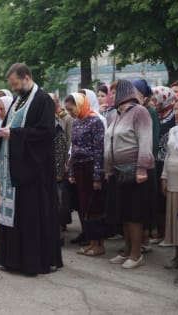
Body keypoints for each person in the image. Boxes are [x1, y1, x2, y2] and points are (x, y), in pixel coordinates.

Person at [0, 63, 62, 274]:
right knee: (16, 216)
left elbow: (46, 133)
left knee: (32, 216)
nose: (13, 88)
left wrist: (14, 134)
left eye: (15, 84)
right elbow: (10, 126)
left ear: (26, 78)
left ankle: (33, 261)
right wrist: (1, 132)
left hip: (34, 170)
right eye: (11, 85)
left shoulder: (42, 100)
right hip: (14, 168)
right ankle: (12, 259)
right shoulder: (17, 100)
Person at [105, 79, 155, 269]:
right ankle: (126, 251)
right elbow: (109, 142)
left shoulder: (139, 112)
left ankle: (136, 254)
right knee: (123, 214)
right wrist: (108, 168)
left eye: (114, 91)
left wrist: (142, 168)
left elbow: (145, 141)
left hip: (135, 171)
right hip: (118, 172)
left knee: (135, 215)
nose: (111, 95)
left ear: (124, 92)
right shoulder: (115, 115)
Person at [65, 92, 105, 256]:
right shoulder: (76, 122)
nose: (70, 112)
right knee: (83, 206)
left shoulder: (95, 121)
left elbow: (99, 150)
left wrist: (97, 176)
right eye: (67, 110)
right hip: (79, 168)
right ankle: (90, 241)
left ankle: (99, 244)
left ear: (80, 104)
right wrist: (72, 171)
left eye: (71, 108)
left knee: (94, 206)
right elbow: (73, 148)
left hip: (91, 167)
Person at [133, 79, 160, 251]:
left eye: (136, 93)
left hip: (147, 163)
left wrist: (146, 160)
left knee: (146, 201)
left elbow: (153, 140)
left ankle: (145, 239)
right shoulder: (136, 111)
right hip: (136, 161)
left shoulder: (149, 112)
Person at [161, 96, 178, 271]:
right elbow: (168, 154)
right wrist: (164, 176)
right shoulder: (174, 130)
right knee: (175, 219)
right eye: (176, 109)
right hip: (173, 180)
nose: (177, 113)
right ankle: (177, 256)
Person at [152, 86, 177, 246]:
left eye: (156, 99)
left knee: (170, 200)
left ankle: (171, 234)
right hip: (156, 162)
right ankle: (161, 232)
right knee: (158, 199)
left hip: (170, 163)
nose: (154, 102)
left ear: (164, 99)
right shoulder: (157, 115)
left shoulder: (175, 116)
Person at [50, 92, 73, 245]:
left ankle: (58, 235)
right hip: (46, 170)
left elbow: (61, 148)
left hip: (55, 171)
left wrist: (59, 172)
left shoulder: (58, 123)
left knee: (56, 203)